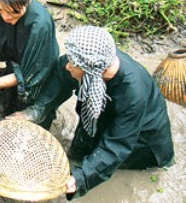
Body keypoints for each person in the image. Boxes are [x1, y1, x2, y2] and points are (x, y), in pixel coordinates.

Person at [9, 26, 175, 199]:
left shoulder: (133, 93)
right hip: (103, 119)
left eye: (73, 64)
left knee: (99, 167)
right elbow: (60, 74)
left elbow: (117, 145)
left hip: (141, 141)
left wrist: (80, 178)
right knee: (79, 152)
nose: (68, 66)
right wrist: (36, 112)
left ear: (90, 71)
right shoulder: (91, 58)